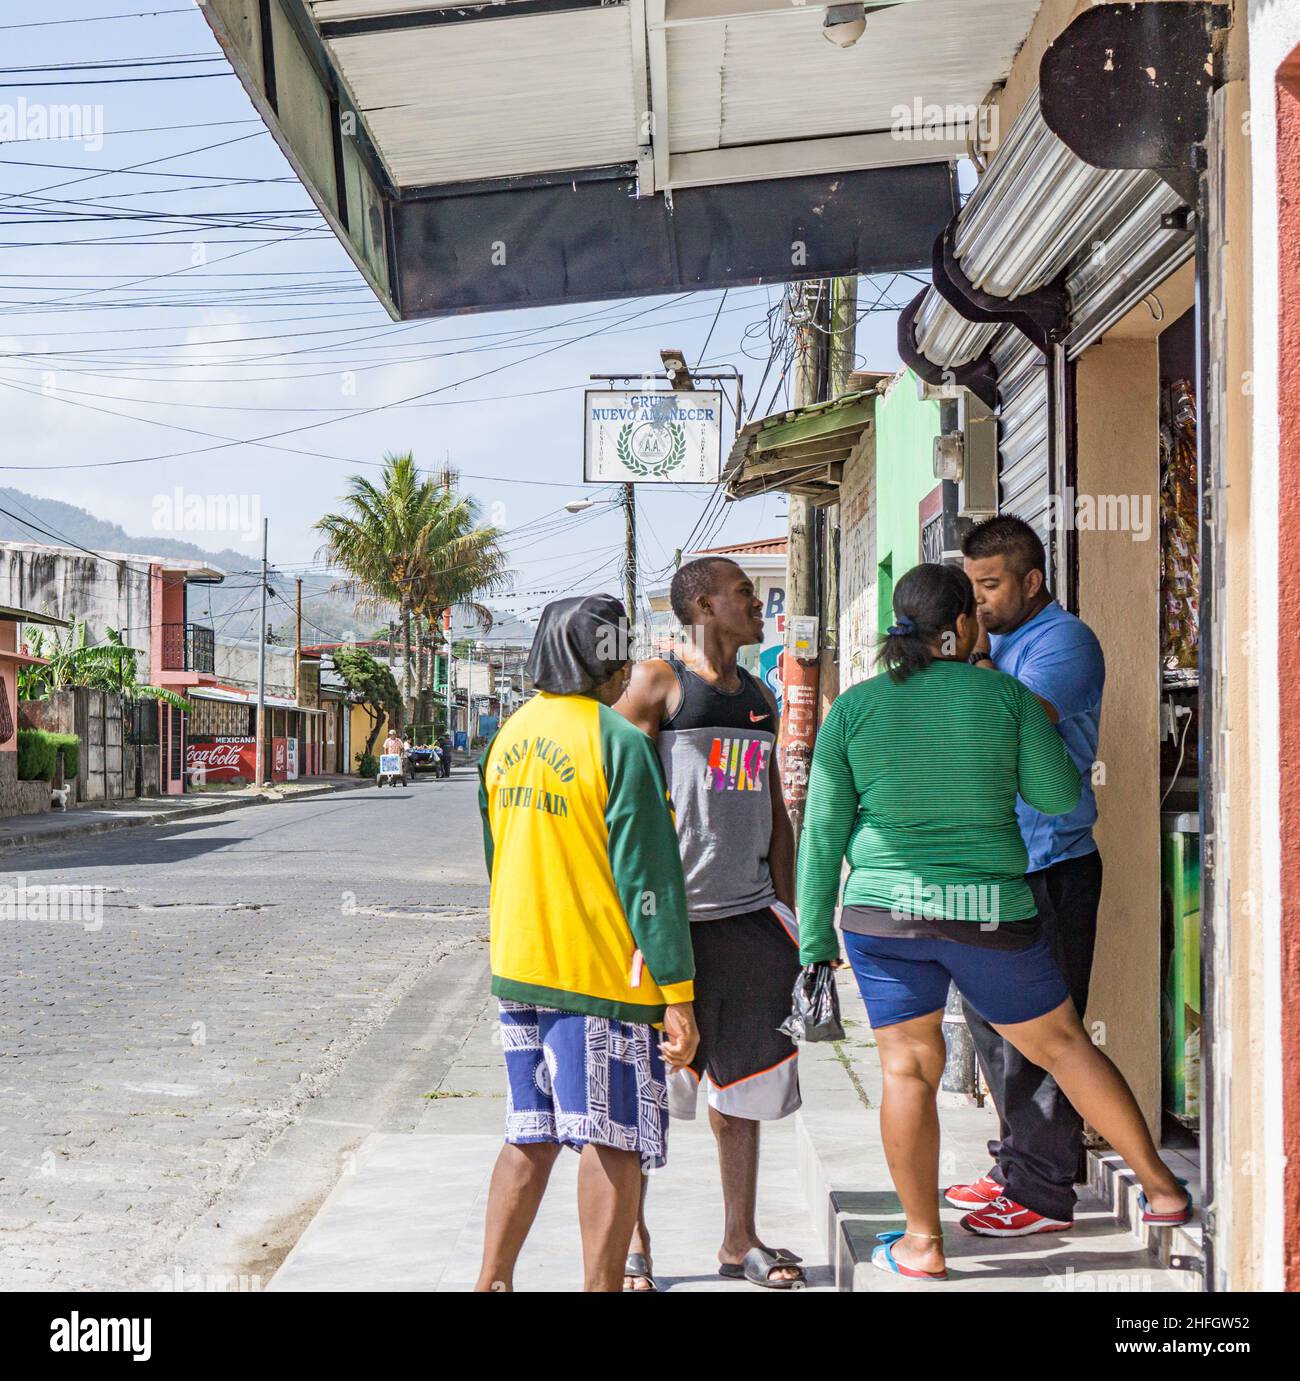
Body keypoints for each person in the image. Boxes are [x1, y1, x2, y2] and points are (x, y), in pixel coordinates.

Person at [797, 563, 1190, 1282]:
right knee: (1066, 1046)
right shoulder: (1006, 696)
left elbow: (820, 832)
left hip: (884, 916)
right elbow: (1055, 791)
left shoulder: (852, 709)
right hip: (990, 910)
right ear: (965, 627)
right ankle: (1163, 1190)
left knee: (907, 1070)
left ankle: (923, 1242)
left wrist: (815, 943)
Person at [474, 594, 698, 1293]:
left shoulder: (506, 737)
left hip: (519, 969)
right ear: (608, 660)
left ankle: (492, 1281)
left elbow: (497, 854)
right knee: (614, 1135)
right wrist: (679, 994)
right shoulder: (619, 742)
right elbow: (650, 881)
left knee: (530, 1131)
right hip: (600, 976)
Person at [616, 557, 804, 1290]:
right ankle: (632, 1243)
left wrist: (790, 915)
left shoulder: (760, 695)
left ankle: (739, 1241)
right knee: (642, 1092)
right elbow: (616, 804)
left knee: (742, 1090)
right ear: (702, 605)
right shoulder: (657, 685)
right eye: (745, 595)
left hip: (749, 923)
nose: (758, 605)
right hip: (667, 926)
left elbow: (773, 816)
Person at [947, 515, 1108, 1235]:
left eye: (990, 583)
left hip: (1053, 866)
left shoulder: (1064, 641)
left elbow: (1019, 722)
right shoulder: (1001, 644)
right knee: (995, 1031)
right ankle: (1018, 1166)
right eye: (971, 585)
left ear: (1031, 579)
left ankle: (1044, 1194)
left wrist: (976, 659)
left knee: (1043, 1032)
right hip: (996, 864)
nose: (977, 600)